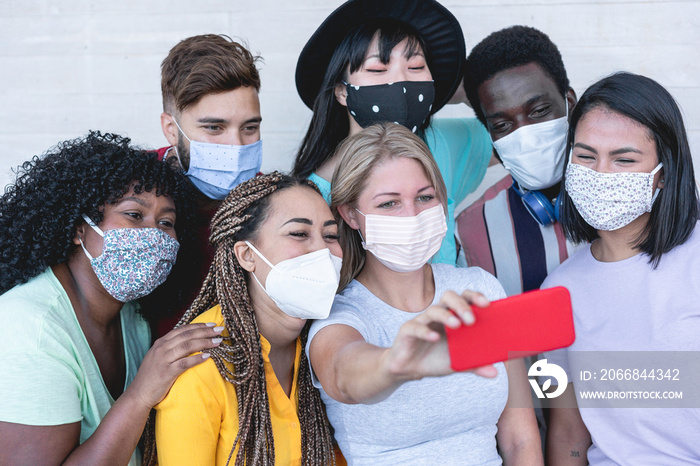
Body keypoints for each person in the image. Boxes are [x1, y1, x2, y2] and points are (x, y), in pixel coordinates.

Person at [308, 123, 542, 465]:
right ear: (349, 214)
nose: (413, 215)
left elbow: (520, 439)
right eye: (389, 203)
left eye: (424, 197)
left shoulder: (480, 290)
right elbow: (344, 375)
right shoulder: (341, 314)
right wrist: (396, 363)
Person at [0, 132, 225, 465]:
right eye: (134, 215)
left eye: (166, 222)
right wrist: (141, 394)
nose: (153, 234)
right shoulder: (30, 330)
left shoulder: (132, 313)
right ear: (79, 228)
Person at [542, 72, 700, 464]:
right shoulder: (553, 292)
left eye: (624, 159)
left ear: (663, 174)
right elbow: (566, 430)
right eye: (585, 155)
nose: (601, 174)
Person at [149, 172, 341, 465]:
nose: (322, 250)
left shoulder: (328, 344)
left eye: (330, 236)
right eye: (299, 234)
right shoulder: (200, 365)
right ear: (247, 255)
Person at [292, 0, 493, 266]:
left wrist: (466, 90)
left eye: (417, 67)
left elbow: (517, 136)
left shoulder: (441, 143)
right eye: (377, 69)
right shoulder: (312, 197)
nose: (402, 81)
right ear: (342, 91)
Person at [153, 34, 263, 337]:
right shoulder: (129, 194)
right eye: (214, 127)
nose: (236, 145)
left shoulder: (270, 203)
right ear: (171, 130)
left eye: (250, 127)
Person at [459, 26, 580, 296]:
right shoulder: (470, 231)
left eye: (538, 111)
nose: (525, 136)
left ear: (570, 102)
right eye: (502, 124)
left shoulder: (635, 190)